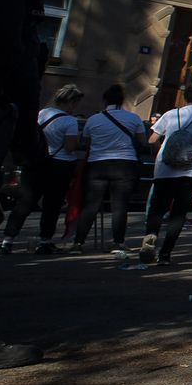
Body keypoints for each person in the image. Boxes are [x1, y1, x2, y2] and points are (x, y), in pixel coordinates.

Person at [139, 82, 192, 267]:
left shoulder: (170, 114)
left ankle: (150, 238)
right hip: (191, 171)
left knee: (157, 209)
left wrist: (164, 152)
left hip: (164, 170)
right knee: (179, 213)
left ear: (186, 97)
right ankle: (165, 254)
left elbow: (152, 139)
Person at [2, 83, 83, 255]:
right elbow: (70, 147)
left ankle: (7, 240)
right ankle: (44, 241)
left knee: (25, 202)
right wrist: (77, 142)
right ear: (71, 102)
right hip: (60, 165)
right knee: (52, 205)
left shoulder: (42, 114)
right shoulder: (70, 121)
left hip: (36, 163)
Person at [74, 83, 145, 260]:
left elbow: (87, 142)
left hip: (97, 164)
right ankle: (118, 242)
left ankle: (78, 242)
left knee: (91, 205)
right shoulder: (133, 118)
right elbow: (142, 142)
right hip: (125, 163)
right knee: (119, 206)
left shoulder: (93, 119)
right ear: (122, 101)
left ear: (105, 100)